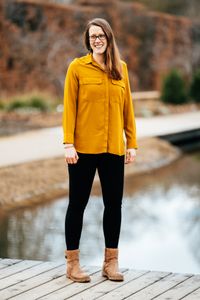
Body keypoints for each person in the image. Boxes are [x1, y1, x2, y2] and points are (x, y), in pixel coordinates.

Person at [62, 18, 138, 283]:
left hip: (113, 149)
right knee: (77, 205)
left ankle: (111, 263)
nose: (97, 39)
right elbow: (69, 107)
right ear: (88, 40)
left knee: (114, 205)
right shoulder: (77, 68)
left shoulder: (121, 69)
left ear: (109, 37)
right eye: (92, 36)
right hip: (82, 149)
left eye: (101, 35)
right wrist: (68, 144)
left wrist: (132, 143)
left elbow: (128, 108)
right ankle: (72, 265)